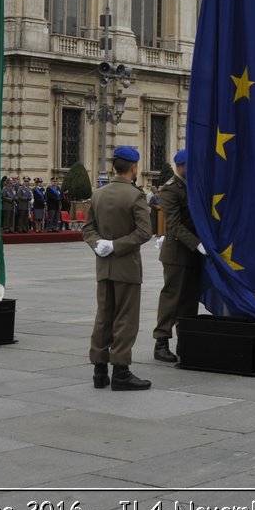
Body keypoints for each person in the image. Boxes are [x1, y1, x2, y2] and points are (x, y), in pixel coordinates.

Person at [84, 145, 153, 390]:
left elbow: (87, 229)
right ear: (134, 168)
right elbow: (145, 232)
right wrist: (117, 245)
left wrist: (99, 244)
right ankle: (121, 371)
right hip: (127, 266)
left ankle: (99, 370)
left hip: (103, 266)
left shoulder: (98, 194)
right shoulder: (136, 196)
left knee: (104, 316)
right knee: (125, 318)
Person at [151, 149, 203, 363]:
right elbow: (174, 225)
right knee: (172, 298)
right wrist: (197, 243)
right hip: (177, 253)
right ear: (180, 167)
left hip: (194, 253)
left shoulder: (194, 186)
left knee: (190, 300)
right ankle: (161, 341)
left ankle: (186, 340)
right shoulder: (171, 190)